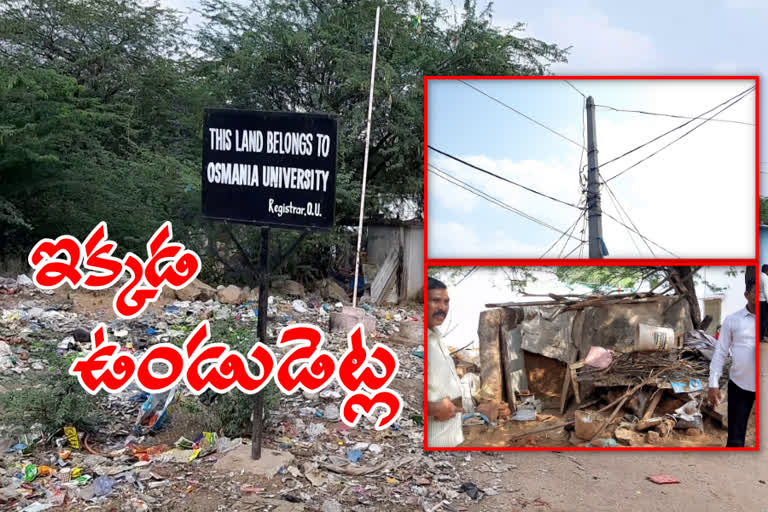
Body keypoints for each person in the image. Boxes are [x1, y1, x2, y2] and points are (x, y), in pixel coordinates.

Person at [708, 278, 756, 447]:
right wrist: (713, 384)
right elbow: (720, 352)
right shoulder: (733, 320)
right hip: (740, 385)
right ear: (747, 294)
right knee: (736, 440)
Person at [426, 277, 464, 447]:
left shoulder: (437, 338)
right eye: (435, 301)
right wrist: (433, 409)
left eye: (446, 302)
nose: (442, 308)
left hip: (452, 442)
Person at [760, 265, 768, 341]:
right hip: (763, 301)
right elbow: (766, 291)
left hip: (759, 301)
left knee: (762, 319)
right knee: (765, 319)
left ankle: (761, 336)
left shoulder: (759, 276)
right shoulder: (765, 278)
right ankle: (763, 336)